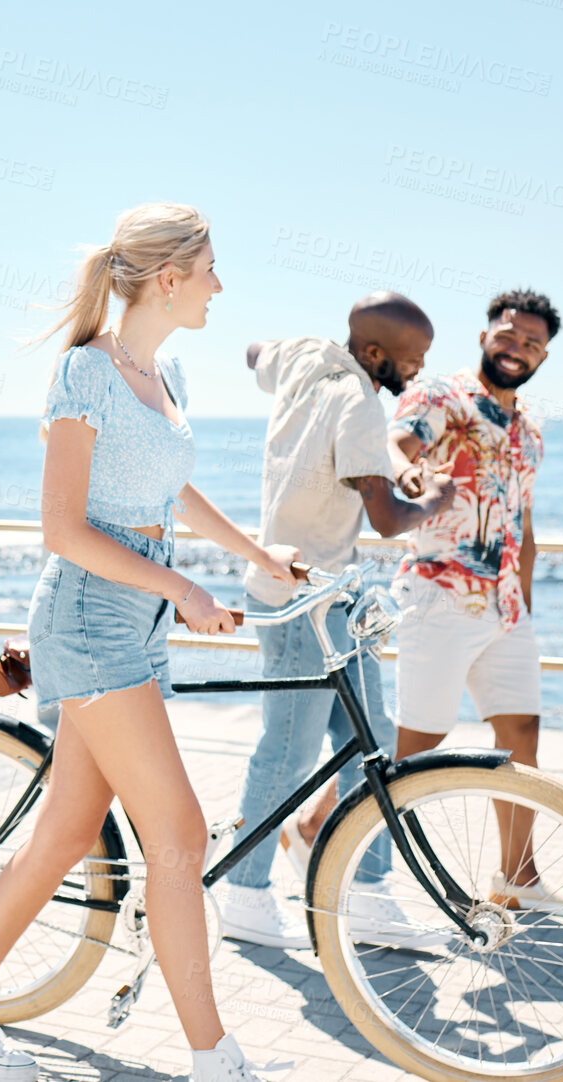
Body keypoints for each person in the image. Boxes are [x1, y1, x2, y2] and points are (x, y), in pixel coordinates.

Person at [0, 204, 297, 1082]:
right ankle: (214, 1058)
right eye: (210, 270)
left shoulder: (165, 377)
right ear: (169, 278)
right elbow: (62, 529)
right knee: (179, 837)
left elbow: (174, 492)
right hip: (90, 616)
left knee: (66, 831)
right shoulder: (84, 375)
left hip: (134, 619)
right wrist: (184, 587)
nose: (219, 287)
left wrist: (254, 555)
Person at [216, 293, 457, 950]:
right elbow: (384, 519)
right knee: (287, 753)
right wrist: (434, 497)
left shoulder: (304, 357)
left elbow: (253, 352)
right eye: (414, 360)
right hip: (298, 602)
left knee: (371, 742)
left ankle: (368, 893)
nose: (420, 372)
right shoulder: (359, 405)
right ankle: (245, 896)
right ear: (375, 355)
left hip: (334, 596)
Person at [386, 289, 563, 915]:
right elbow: (396, 445)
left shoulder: (530, 432)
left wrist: (522, 603)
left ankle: (516, 880)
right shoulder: (442, 396)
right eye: (508, 335)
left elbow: (522, 521)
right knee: (417, 749)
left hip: (505, 608)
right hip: (441, 597)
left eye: (531, 343)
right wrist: (409, 474)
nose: (516, 348)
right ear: (484, 337)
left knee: (522, 732)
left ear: (543, 355)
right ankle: (319, 836)